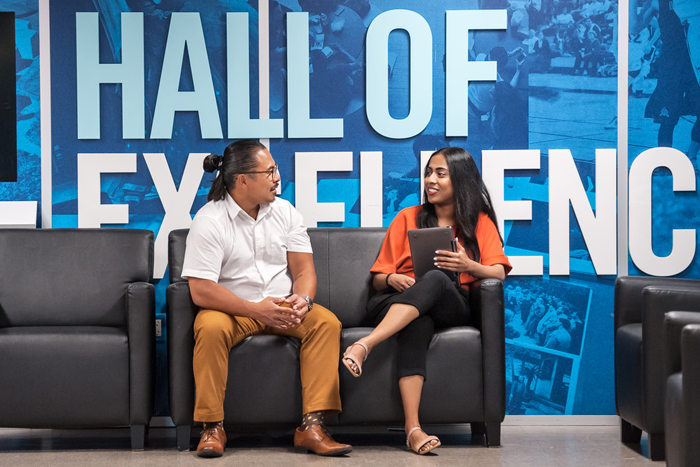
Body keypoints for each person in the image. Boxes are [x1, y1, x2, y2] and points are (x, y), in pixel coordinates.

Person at [180, 140, 351, 458]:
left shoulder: (285, 212)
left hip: (282, 306)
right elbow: (201, 289)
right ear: (243, 179)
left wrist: (303, 301)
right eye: (269, 171)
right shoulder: (210, 219)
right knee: (210, 327)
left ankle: (312, 428)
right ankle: (212, 427)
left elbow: (304, 271)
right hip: (231, 309)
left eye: (276, 169)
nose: (277, 177)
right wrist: (255, 310)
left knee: (326, 322)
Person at [341, 147, 512, 455]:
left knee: (435, 279)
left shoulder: (479, 222)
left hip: (451, 302)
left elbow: (498, 272)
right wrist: (392, 278)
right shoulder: (407, 217)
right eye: (428, 173)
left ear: (460, 180)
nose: (430, 180)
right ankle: (413, 429)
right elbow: (379, 277)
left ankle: (365, 344)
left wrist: (467, 266)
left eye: (440, 174)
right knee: (418, 321)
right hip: (397, 299)